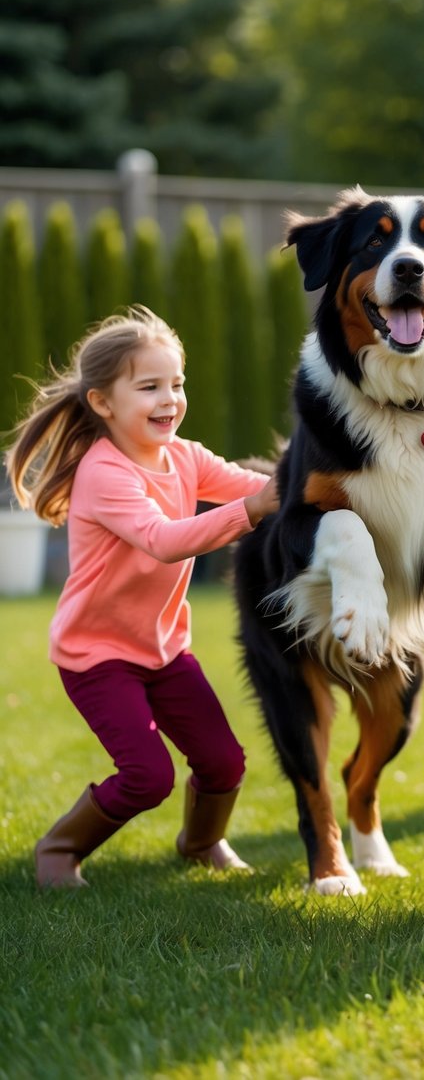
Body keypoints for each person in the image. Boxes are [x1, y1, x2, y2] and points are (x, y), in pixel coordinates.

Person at [5, 305, 279, 889]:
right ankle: (59, 848)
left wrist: (311, 485)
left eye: (177, 385)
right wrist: (253, 512)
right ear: (103, 403)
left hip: (164, 650)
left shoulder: (184, 455)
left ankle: (201, 841)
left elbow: (251, 483)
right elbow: (163, 540)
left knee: (223, 761)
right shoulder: (105, 473)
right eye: (150, 387)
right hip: (97, 656)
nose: (170, 399)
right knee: (147, 776)